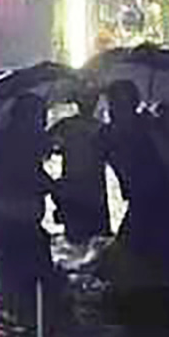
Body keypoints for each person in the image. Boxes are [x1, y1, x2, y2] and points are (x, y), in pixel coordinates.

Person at [101, 78, 169, 274]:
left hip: (161, 202)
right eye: (112, 105)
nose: (113, 112)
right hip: (141, 202)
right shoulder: (110, 135)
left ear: (133, 106)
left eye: (119, 106)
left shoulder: (148, 129)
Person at [0, 91, 55, 287]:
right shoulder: (23, 143)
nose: (44, 124)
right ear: (29, 117)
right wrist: (55, 187)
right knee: (35, 279)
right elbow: (30, 177)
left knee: (5, 277)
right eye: (42, 118)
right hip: (18, 223)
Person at [49, 104, 112, 245]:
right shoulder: (100, 127)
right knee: (93, 240)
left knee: (81, 238)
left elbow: (49, 145)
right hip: (90, 191)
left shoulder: (66, 125)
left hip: (82, 189)